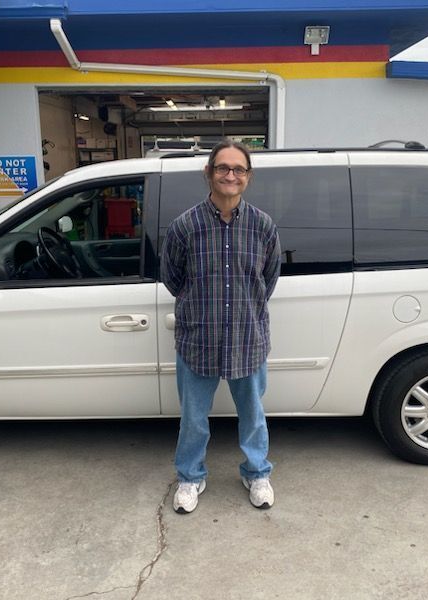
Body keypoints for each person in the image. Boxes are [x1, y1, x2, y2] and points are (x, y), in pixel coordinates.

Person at [160, 140, 281, 514]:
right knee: (193, 419)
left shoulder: (263, 226)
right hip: (199, 339)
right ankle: (190, 477)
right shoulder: (185, 226)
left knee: (253, 415)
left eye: (238, 169)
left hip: (248, 339)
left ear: (248, 177)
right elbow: (172, 278)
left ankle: (257, 472)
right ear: (209, 173)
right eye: (223, 168)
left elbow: (269, 278)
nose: (230, 175)